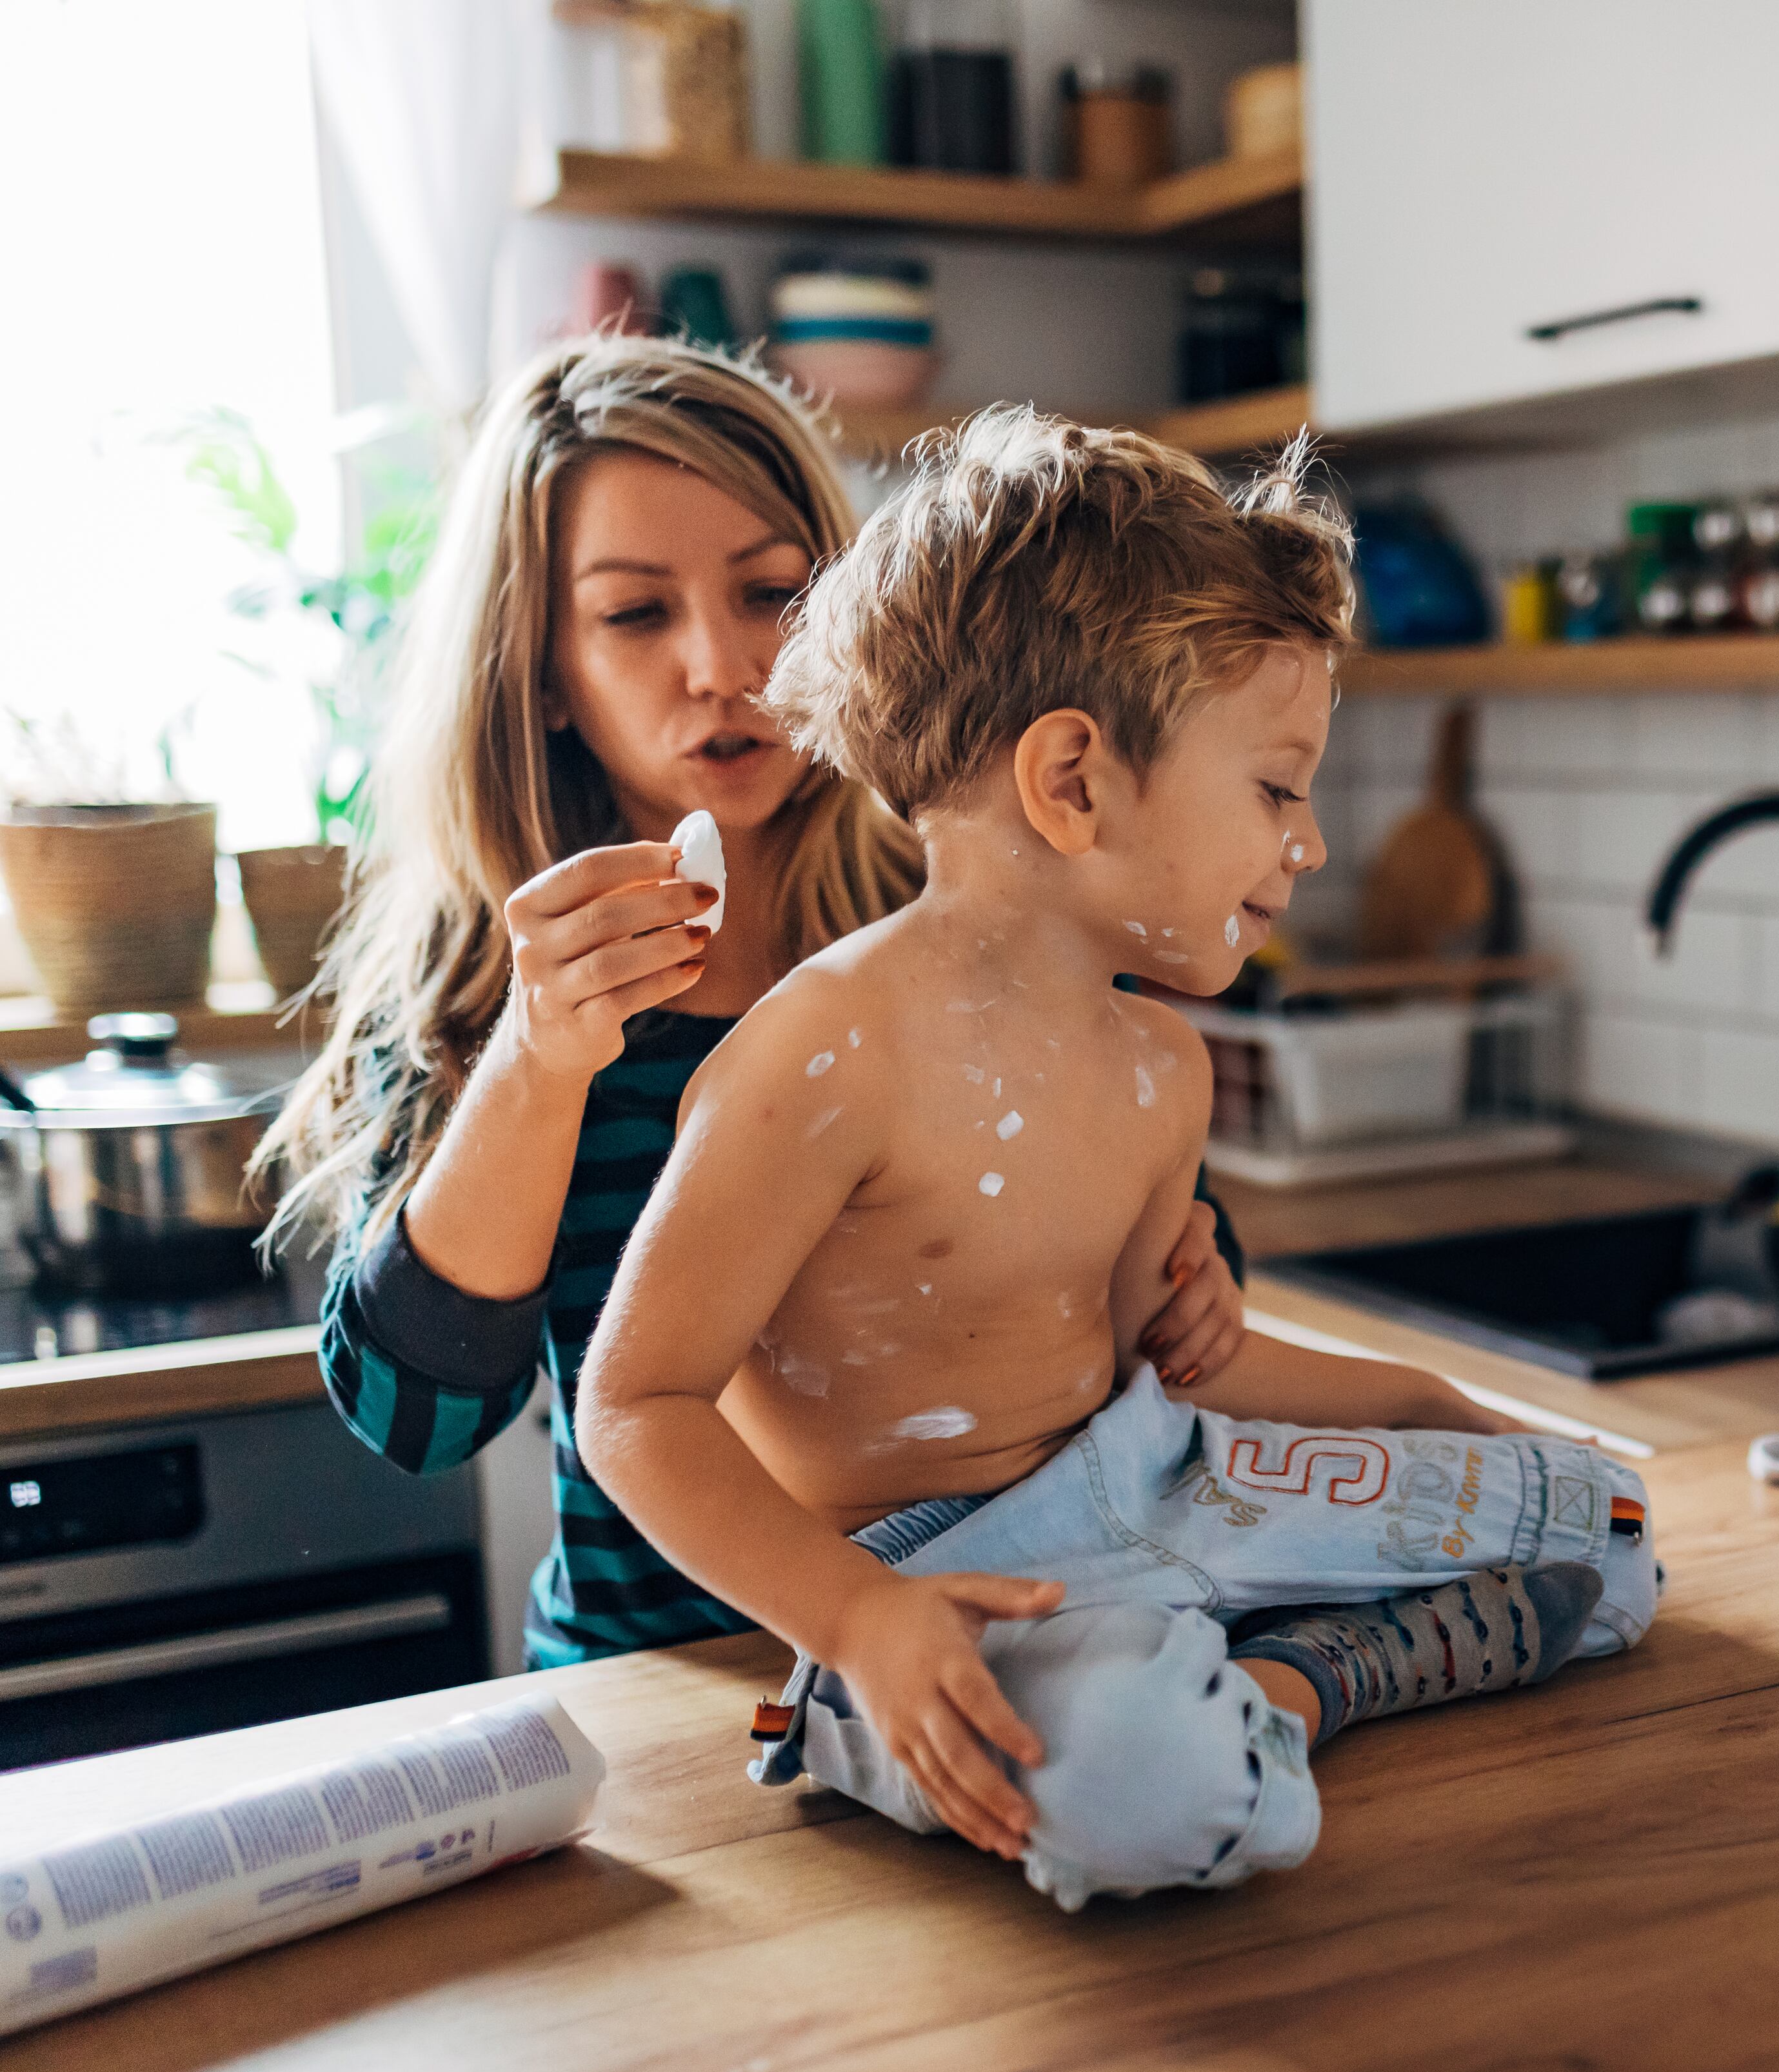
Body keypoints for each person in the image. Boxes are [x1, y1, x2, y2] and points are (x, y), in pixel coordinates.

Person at [575, 412, 1658, 1909]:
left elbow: (1173, 1368)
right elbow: (634, 1402)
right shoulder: (823, 1052)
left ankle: (1278, 1680)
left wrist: (1430, 1408)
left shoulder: (1165, 1064)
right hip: (944, 1576)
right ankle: (1157, 1705)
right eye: (1276, 788)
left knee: (1604, 1527)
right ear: (1074, 781)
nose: (1310, 845)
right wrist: (862, 1619)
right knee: (1152, 1779)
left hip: (1155, 1481)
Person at [256, 339, 1249, 1671]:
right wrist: (538, 1064)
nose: (722, 665)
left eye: (772, 591)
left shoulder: (980, 912)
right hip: (659, 1695)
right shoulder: (476, 989)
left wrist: (1198, 1283)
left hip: (1010, 1650)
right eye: (633, 614)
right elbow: (414, 1422)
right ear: (540, 668)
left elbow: (1137, 1233)